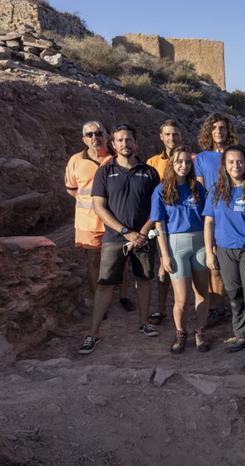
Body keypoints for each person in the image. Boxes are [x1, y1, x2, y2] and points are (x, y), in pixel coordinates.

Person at [80, 124, 160, 355]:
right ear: (113, 144)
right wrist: (126, 231)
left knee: (144, 279)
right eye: (120, 140)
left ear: (136, 143)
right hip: (115, 238)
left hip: (143, 238)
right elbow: (99, 206)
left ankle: (144, 323)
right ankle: (93, 334)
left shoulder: (149, 172)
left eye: (129, 139)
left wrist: (143, 232)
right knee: (105, 284)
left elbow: (157, 207)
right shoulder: (105, 172)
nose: (125, 144)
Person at [202, 145, 245, 368]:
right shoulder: (216, 191)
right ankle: (241, 335)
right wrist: (209, 250)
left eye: (239, 161)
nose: (235, 165)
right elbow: (209, 222)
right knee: (235, 298)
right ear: (224, 165)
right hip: (224, 251)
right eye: (231, 162)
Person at [64, 121, 132, 313]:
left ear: (106, 136)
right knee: (93, 261)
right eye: (90, 134)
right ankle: (99, 302)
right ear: (84, 139)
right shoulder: (75, 161)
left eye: (98, 133)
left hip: (115, 219)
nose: (95, 137)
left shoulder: (116, 158)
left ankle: (124, 296)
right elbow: (72, 189)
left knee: (122, 259)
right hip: (88, 223)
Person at [150, 145, 211, 353]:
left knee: (202, 292)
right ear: (171, 163)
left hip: (200, 243)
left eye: (186, 162)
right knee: (182, 298)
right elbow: (159, 225)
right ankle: (180, 332)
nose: (183, 166)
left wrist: (211, 248)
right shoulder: (161, 190)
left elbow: (208, 218)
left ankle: (200, 331)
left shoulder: (197, 188)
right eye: (179, 162)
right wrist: (164, 255)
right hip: (176, 245)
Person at [195, 113, 239, 327]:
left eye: (222, 127)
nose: (219, 132)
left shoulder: (234, 154)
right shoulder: (202, 158)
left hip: (235, 215)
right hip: (213, 214)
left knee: (235, 262)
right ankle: (217, 307)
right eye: (214, 128)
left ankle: (236, 306)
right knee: (213, 264)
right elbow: (200, 188)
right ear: (209, 132)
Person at [146, 119, 185, 326]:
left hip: (186, 223)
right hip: (163, 223)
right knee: (163, 267)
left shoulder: (191, 159)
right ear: (161, 137)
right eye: (167, 134)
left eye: (175, 134)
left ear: (181, 136)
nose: (171, 138)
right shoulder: (153, 163)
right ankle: (161, 309)